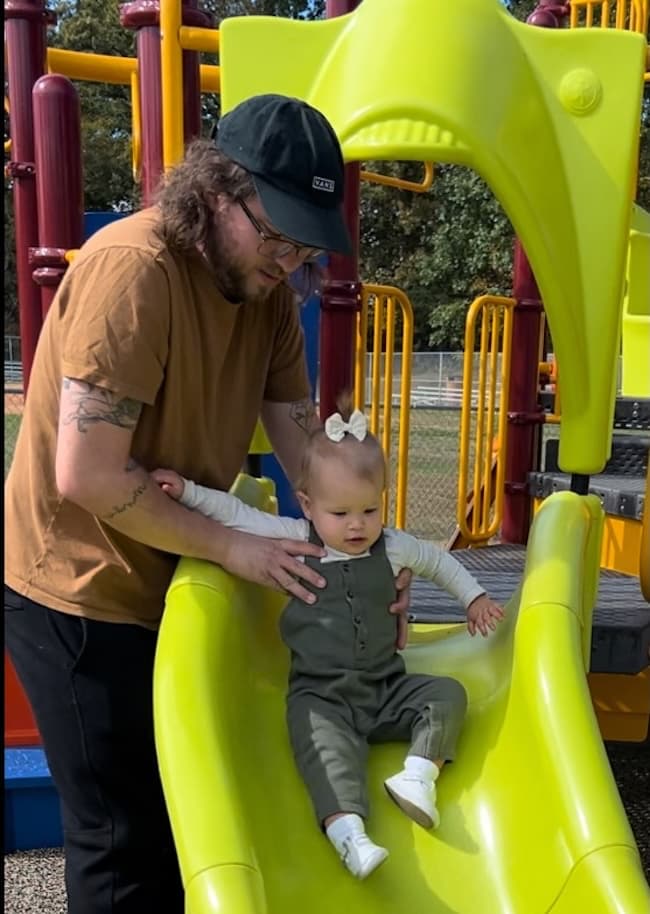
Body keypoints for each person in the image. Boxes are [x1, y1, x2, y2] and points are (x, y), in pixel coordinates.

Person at [4, 94, 411, 914]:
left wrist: (363, 553)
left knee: (181, 821)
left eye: (305, 243)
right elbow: (83, 474)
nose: (290, 259)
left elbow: (310, 455)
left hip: (167, 578)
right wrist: (234, 549)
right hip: (78, 592)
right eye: (275, 231)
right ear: (217, 191)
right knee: (123, 844)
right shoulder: (135, 271)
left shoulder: (266, 295)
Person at [152, 401, 505, 881]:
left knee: (448, 695)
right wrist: (188, 492)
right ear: (308, 504)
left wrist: (474, 598)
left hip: (385, 687)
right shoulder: (296, 540)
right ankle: (348, 835)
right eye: (340, 512)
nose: (356, 524)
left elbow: (438, 562)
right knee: (326, 757)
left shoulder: (394, 546)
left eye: (370, 509)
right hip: (321, 698)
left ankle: (419, 774)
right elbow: (235, 514)